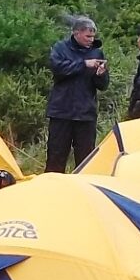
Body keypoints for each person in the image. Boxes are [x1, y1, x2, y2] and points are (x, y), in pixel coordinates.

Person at [46, 16, 107, 173]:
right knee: (56, 156)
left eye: (93, 36)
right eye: (88, 36)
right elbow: (58, 69)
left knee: (86, 159)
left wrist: (100, 74)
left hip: (85, 114)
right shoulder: (60, 48)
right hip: (61, 112)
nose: (91, 39)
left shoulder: (96, 52)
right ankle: (50, 190)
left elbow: (103, 86)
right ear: (76, 33)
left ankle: (83, 192)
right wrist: (84, 64)